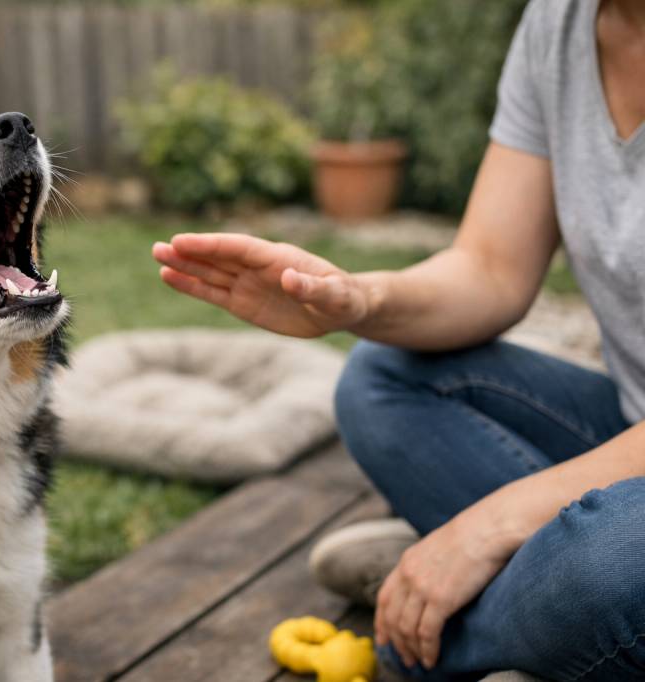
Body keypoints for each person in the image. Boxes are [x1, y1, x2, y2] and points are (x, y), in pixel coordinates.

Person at [152, 0, 645, 679]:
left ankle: (448, 630)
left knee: (607, 567)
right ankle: (536, 599)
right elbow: (492, 268)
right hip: (628, 434)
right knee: (384, 375)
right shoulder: (558, 23)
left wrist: (492, 525)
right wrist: (356, 300)